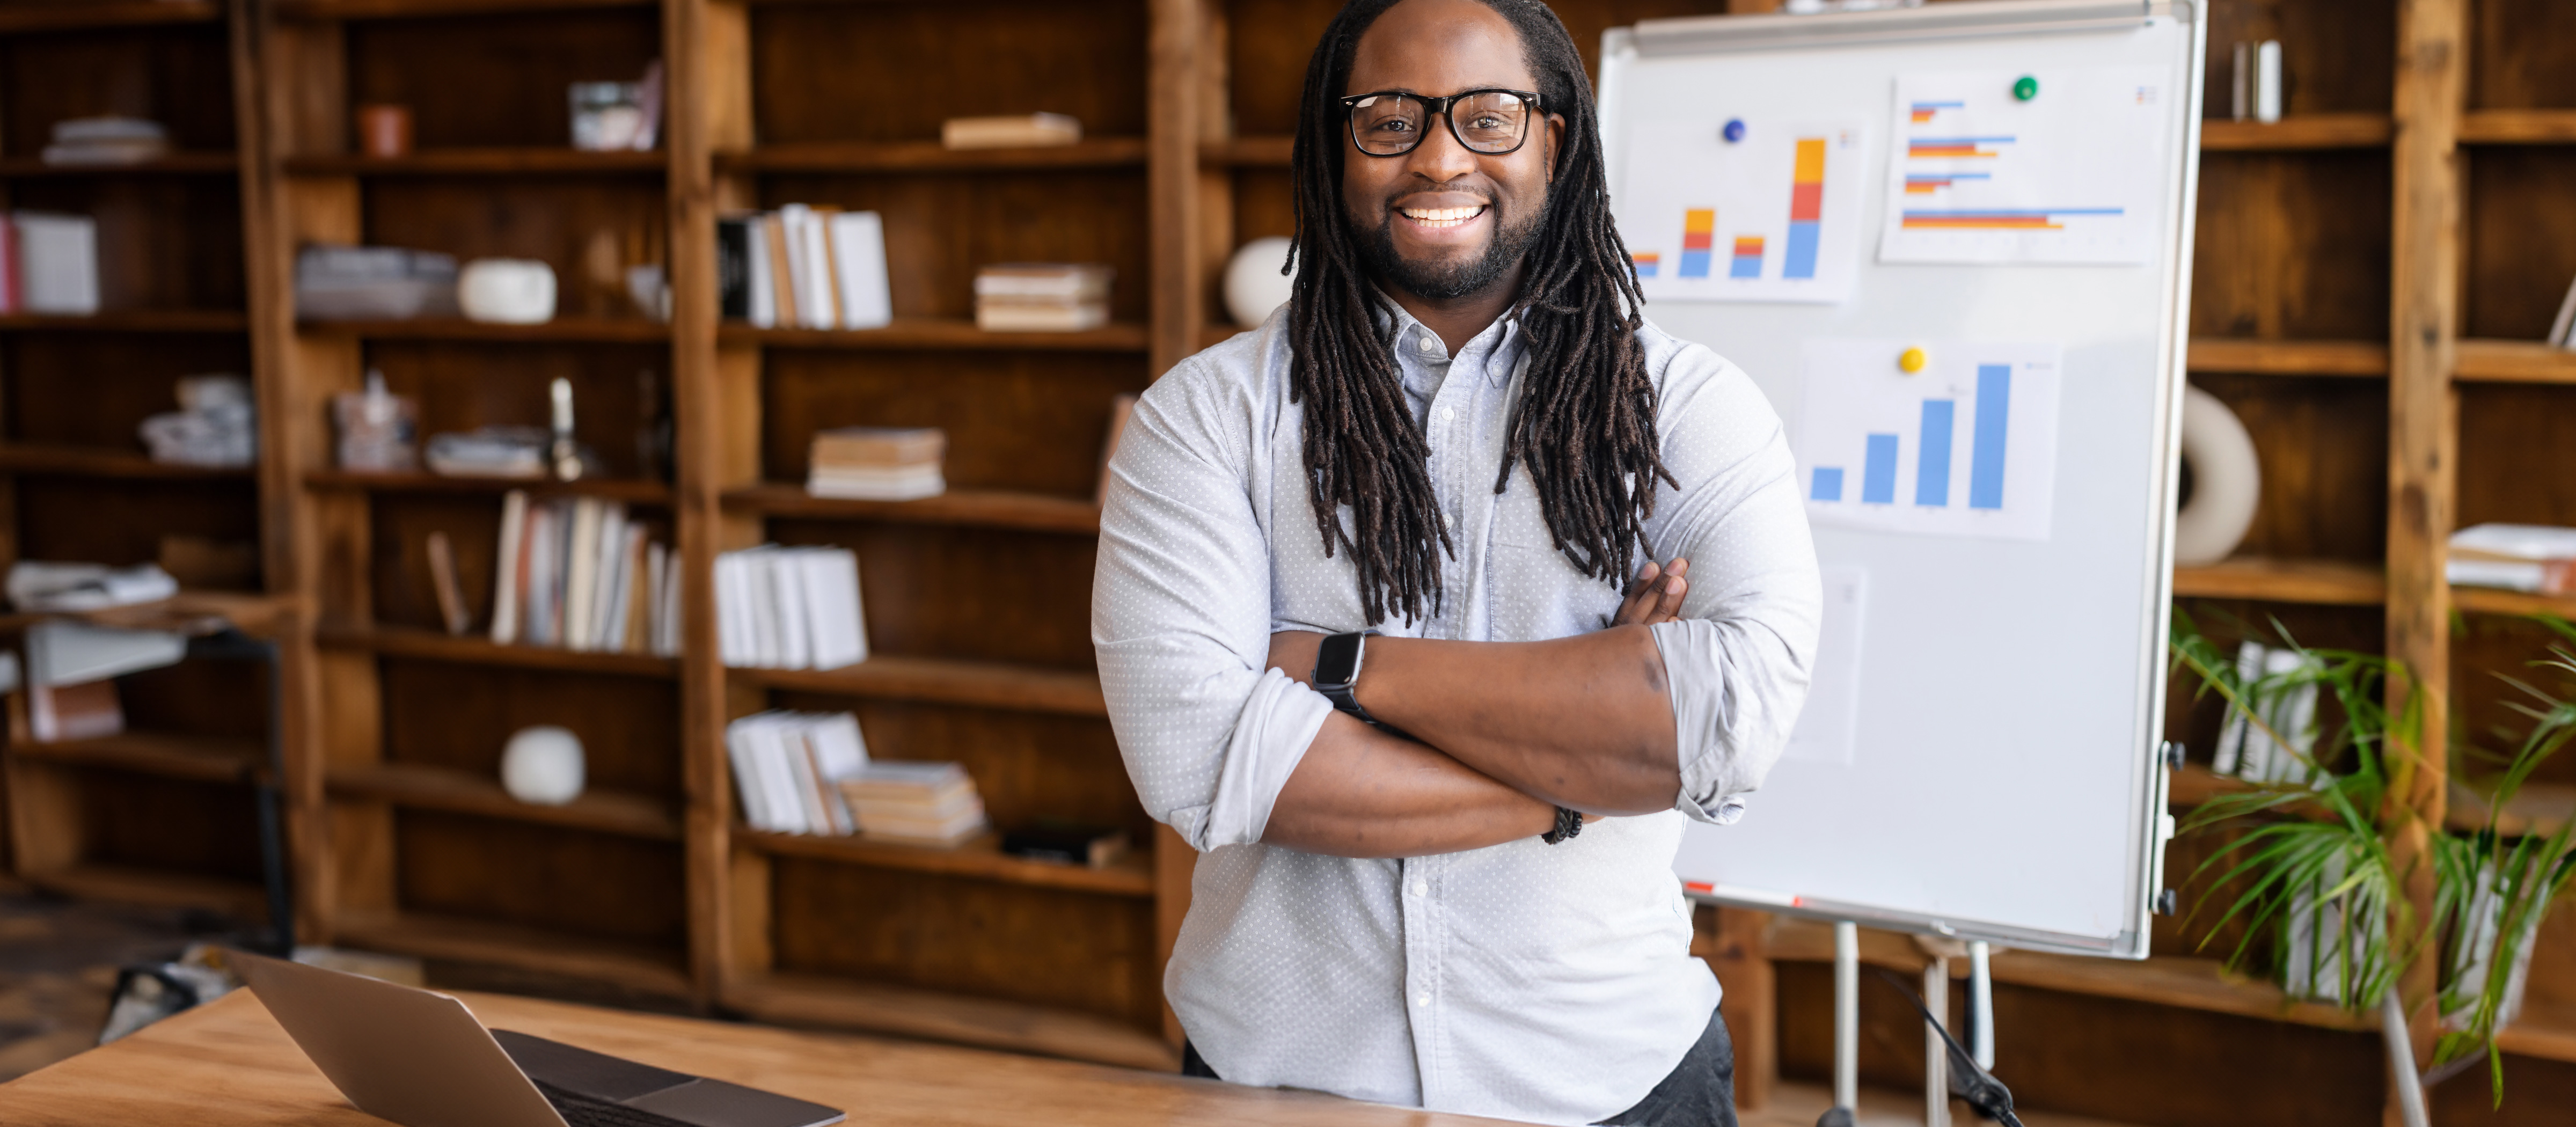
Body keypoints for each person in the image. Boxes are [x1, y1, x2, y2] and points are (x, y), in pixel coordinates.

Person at [1092, 0, 1819, 1122]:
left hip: (1615, 1082)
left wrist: (1335, 664)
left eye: (1488, 116)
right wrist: (1581, 781)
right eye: (1388, 118)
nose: (1437, 156)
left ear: (1555, 141)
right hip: (1282, 1076)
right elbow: (1198, 759)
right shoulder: (1202, 421)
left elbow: (1730, 726)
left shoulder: (1690, 411)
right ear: (1336, 147)